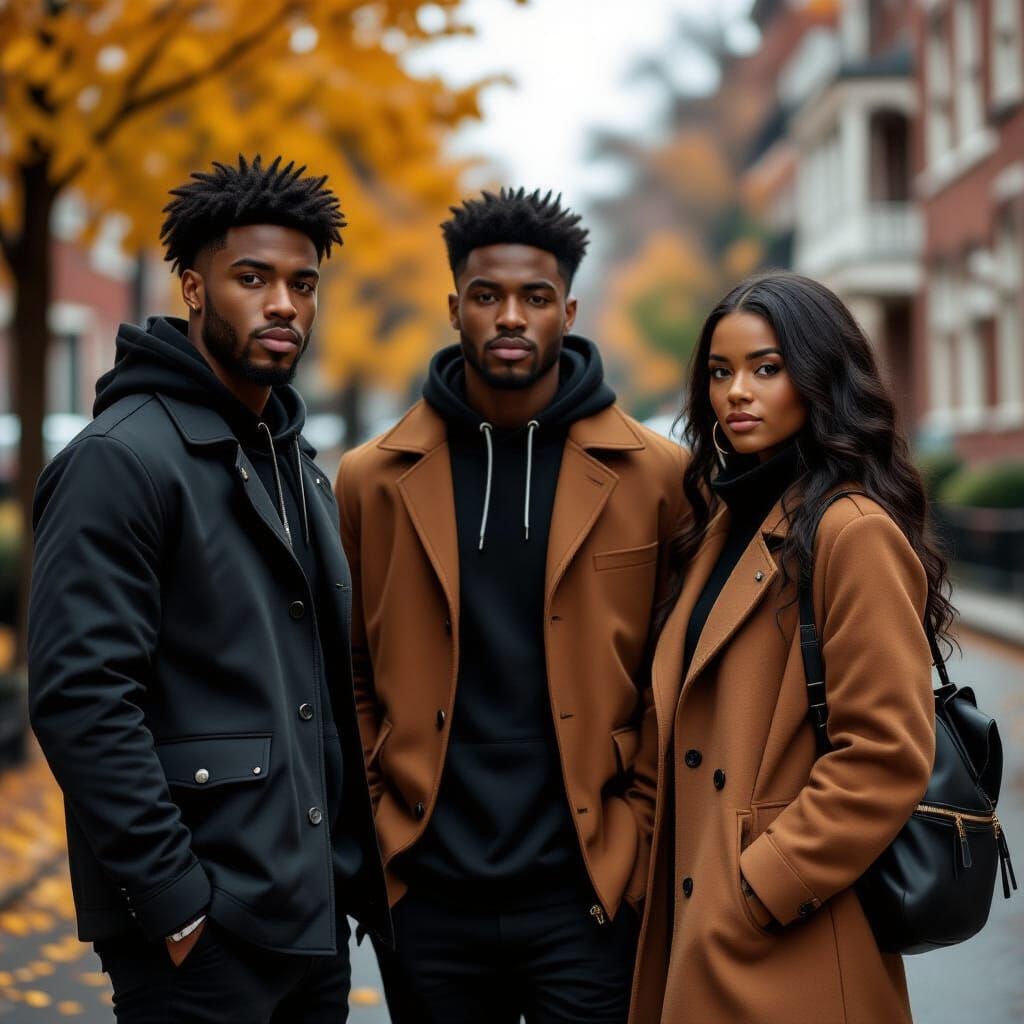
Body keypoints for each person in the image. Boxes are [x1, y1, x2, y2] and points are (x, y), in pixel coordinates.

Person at [28, 154, 388, 1023]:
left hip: (307, 920)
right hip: (203, 936)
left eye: (303, 284)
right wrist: (175, 900)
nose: (283, 305)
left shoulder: (293, 462)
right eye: (252, 278)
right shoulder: (121, 461)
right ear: (192, 288)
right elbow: (80, 696)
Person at [335, 187, 688, 1023]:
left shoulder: (658, 476)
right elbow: (348, 667)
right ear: (453, 305)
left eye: (534, 298)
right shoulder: (371, 478)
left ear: (567, 309)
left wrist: (633, 843)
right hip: (428, 894)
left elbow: (671, 678)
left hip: (587, 894)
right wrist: (384, 828)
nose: (509, 318)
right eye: (487, 296)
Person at [628, 271, 953, 1024]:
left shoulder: (851, 530)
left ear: (819, 377)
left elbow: (884, 753)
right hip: (700, 928)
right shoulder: (719, 522)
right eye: (720, 371)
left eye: (765, 369)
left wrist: (756, 888)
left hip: (791, 945)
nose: (736, 391)